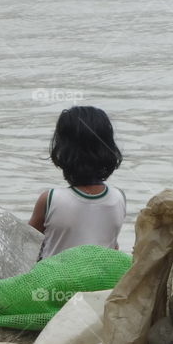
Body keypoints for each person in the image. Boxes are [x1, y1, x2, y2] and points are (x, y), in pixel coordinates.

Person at [28, 106, 125, 258]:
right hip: (102, 280)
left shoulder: (50, 199)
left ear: (63, 151)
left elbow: (26, 246)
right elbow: (113, 247)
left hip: (53, 280)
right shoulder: (119, 198)